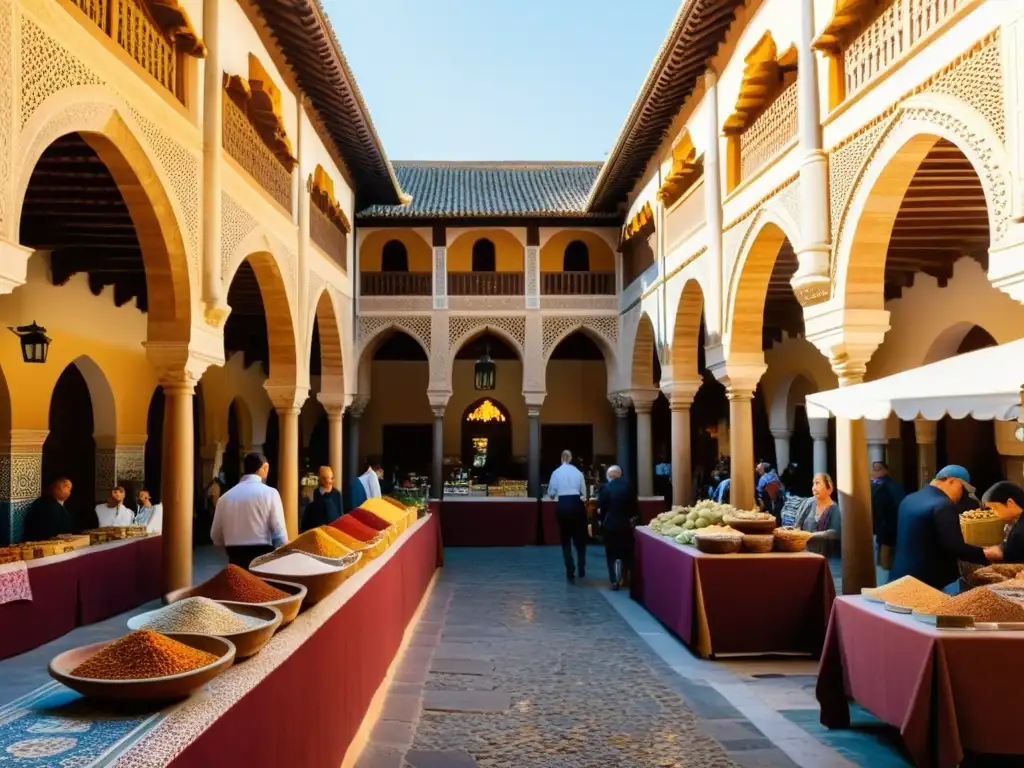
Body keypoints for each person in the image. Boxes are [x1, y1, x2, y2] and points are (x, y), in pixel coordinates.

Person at [889, 465, 1001, 591]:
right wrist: (987, 554)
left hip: (900, 577)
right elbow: (954, 545)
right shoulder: (943, 505)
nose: (961, 496)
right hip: (927, 583)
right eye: (962, 489)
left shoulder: (909, 499)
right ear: (951, 481)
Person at [210, 452, 288, 568]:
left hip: (235, 558)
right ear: (264, 467)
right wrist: (282, 554)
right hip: (262, 557)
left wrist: (231, 544)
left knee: (239, 586)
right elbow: (279, 532)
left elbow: (215, 536)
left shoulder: (224, 498)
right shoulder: (270, 493)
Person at [547, 449, 587, 582]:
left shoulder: (556, 473)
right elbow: (584, 494)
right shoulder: (578, 472)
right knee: (580, 539)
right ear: (570, 458)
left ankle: (570, 570)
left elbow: (551, 494)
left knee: (565, 539)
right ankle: (582, 567)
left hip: (563, 505)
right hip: (576, 504)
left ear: (561, 458)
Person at [597, 465, 637, 590]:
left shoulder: (605, 488)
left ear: (609, 476)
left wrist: (601, 522)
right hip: (625, 525)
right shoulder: (628, 487)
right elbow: (634, 507)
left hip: (610, 526)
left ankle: (614, 580)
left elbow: (601, 508)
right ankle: (625, 578)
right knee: (626, 552)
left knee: (610, 554)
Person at [793, 473, 841, 556]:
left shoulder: (834, 508)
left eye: (817, 483)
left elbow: (835, 533)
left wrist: (811, 535)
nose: (814, 488)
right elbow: (797, 525)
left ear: (828, 488)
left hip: (826, 557)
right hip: (804, 553)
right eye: (813, 484)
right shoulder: (808, 503)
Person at [979, 481, 1024, 563]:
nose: (994, 513)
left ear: (1010, 503)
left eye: (995, 508)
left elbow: (1015, 554)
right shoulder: (1017, 521)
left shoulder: (1021, 530)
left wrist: (1000, 553)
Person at [871, 461, 904, 571]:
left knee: (884, 564)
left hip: (887, 530)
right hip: (876, 529)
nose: (875, 472)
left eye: (879, 469)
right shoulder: (870, 486)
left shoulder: (893, 487)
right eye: (874, 469)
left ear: (886, 470)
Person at [301, 466, 344, 531]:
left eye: (331, 478)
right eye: (325, 478)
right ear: (320, 479)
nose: (329, 481)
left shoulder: (337, 495)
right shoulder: (314, 497)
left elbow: (340, 518)